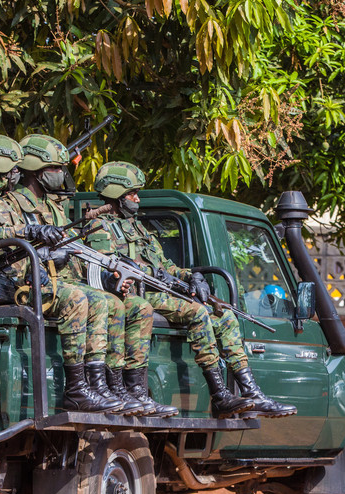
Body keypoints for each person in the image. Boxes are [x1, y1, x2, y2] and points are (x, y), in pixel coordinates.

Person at [85, 161, 296, 419]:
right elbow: (109, 268)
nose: (137, 199)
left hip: (157, 291)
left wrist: (192, 276)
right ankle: (219, 394)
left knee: (225, 316)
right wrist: (153, 274)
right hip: (136, 294)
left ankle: (251, 391)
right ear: (116, 194)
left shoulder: (138, 228)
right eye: (132, 194)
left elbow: (166, 266)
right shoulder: (99, 227)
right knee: (197, 313)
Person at [0, 134, 120, 414]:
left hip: (24, 280)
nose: (16, 174)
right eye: (11, 170)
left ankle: (96, 384)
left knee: (102, 300)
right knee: (76, 299)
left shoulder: (7, 201)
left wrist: (43, 252)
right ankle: (76, 390)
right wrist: (26, 231)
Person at [10, 134, 175, 417]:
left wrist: (112, 276)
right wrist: (45, 252)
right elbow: (12, 244)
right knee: (99, 301)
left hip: (68, 279)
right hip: (38, 281)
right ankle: (79, 389)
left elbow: (79, 251)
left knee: (133, 305)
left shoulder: (54, 207)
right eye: (54, 169)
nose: (61, 174)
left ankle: (115, 388)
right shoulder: (15, 204)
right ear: (35, 170)